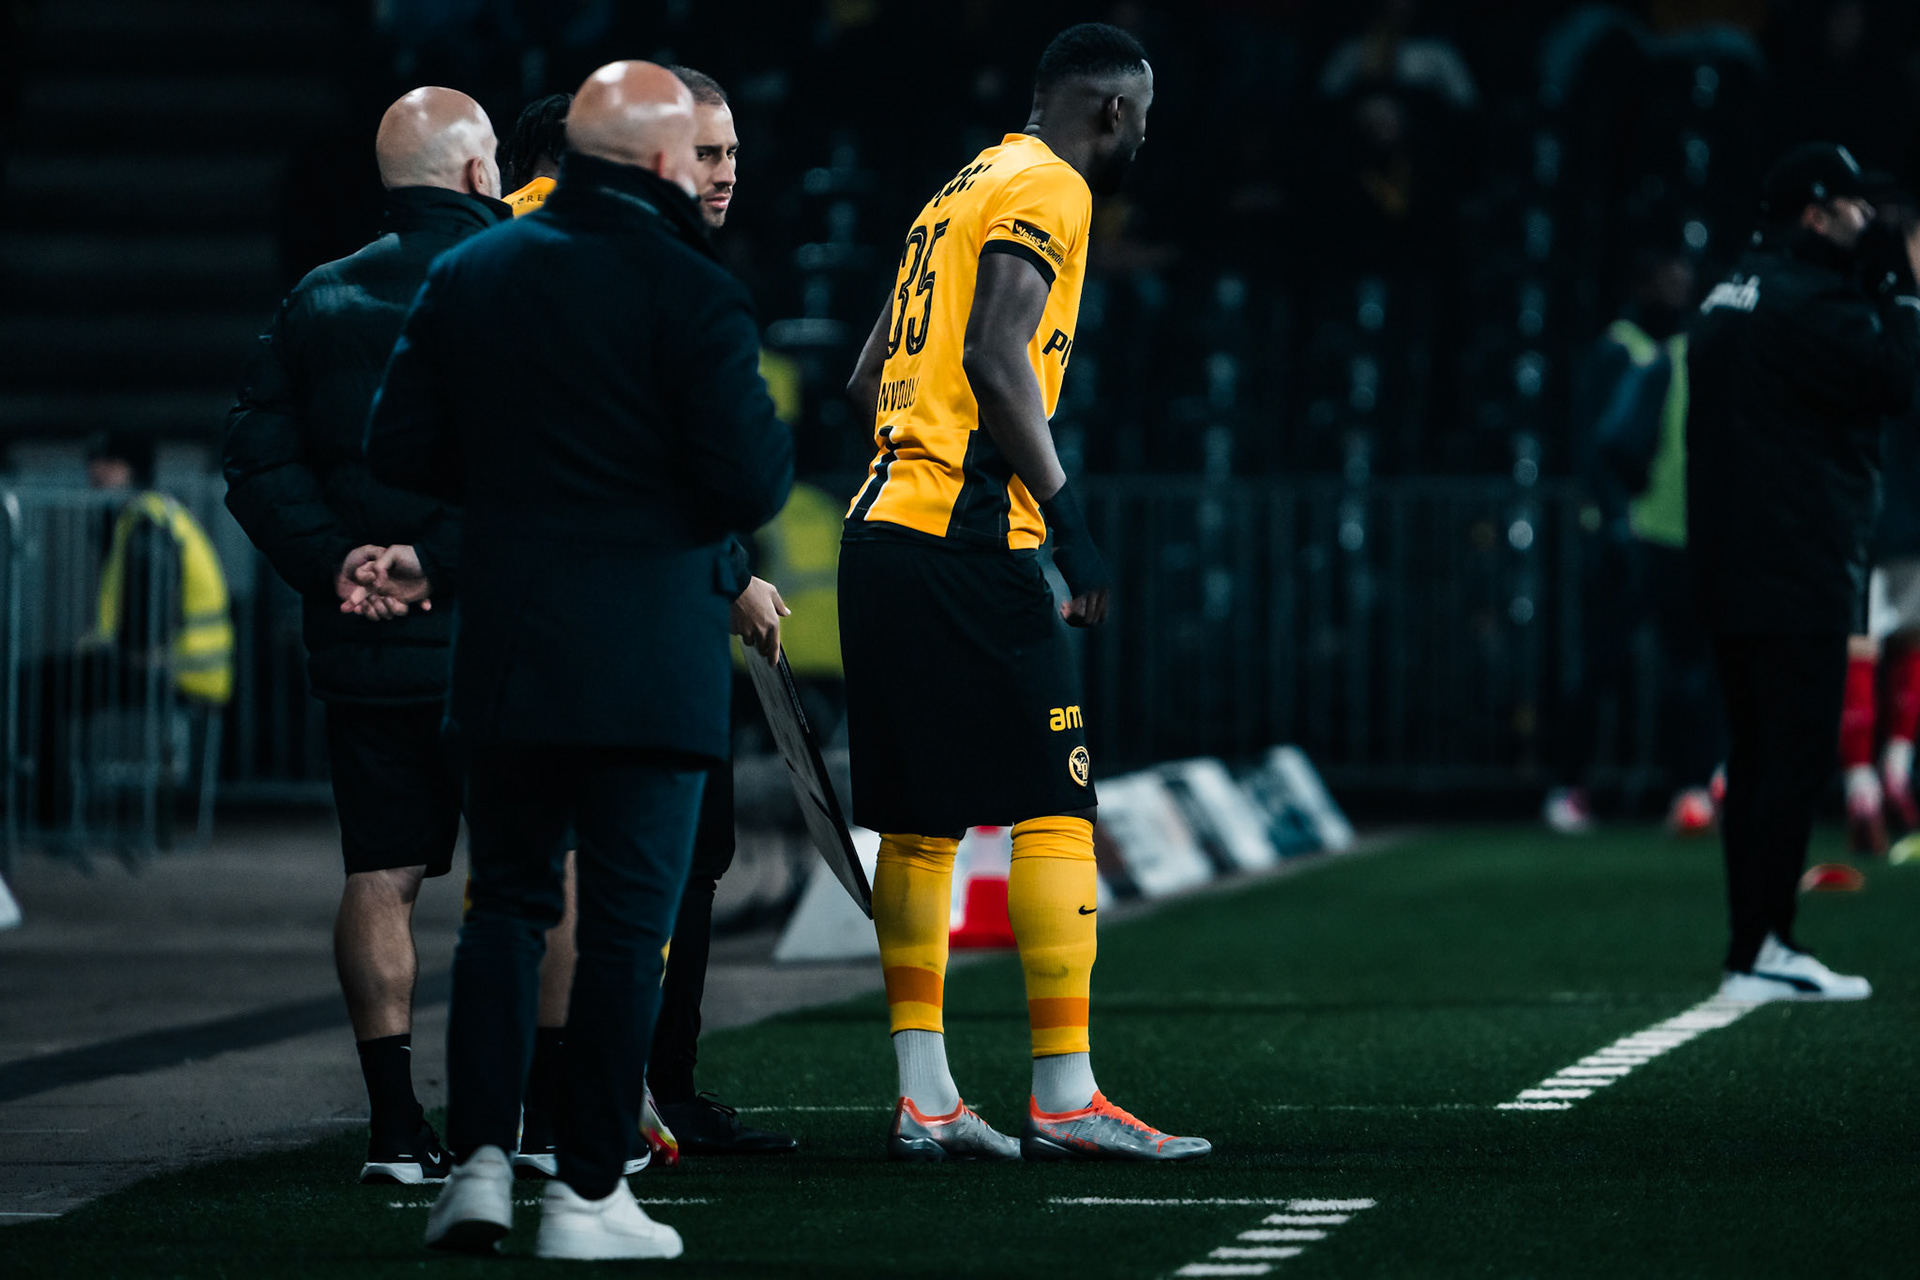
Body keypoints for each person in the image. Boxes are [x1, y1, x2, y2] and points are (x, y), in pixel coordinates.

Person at [364, 62, 791, 1259]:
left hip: (507, 653)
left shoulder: (471, 268)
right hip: (651, 662)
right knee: (618, 929)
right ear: (662, 163)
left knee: (499, 910)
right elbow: (752, 478)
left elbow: (398, 443)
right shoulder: (692, 288)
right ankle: (589, 1190)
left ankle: (484, 1166)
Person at [840, 22, 1207, 1163]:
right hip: (965, 545)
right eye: (1142, 114)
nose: (1145, 133)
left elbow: (866, 379)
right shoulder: (1053, 187)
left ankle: (927, 1095)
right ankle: (1065, 1091)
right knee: (1058, 802)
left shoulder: (959, 186)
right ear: (1111, 111)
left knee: (919, 820)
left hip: (882, 532)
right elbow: (1002, 358)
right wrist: (1071, 527)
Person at [221, 86, 507, 1185]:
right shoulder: (513, 287)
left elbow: (255, 460)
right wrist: (432, 560)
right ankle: (538, 1120)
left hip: (362, 645)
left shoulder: (316, 296)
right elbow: (529, 464)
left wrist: (343, 561)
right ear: (481, 174)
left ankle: (395, 1129)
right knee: (537, 877)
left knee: (380, 874)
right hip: (497, 639)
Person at [1687, 141, 1920, 1003]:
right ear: (1817, 213)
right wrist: (1898, 287)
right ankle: (1764, 948)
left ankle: (1752, 948)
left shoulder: (1729, 288)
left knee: (1754, 758)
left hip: (1729, 562)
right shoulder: (1814, 303)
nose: (1869, 222)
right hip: (1799, 561)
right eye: (1855, 208)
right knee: (1788, 758)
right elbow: (1899, 383)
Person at [1547, 248, 1724, 835]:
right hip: (1632, 536)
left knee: (1690, 675)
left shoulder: (1686, 354)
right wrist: (1614, 517)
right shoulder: (1621, 351)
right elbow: (1600, 445)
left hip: (1680, 536)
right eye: (1666, 279)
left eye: (1683, 281)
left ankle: (1690, 788)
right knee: (1601, 667)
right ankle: (1570, 786)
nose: (1677, 289)